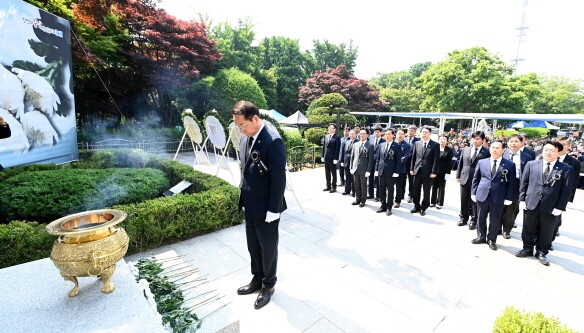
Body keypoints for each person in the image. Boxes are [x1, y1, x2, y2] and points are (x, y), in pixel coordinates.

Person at [232, 101, 287, 309]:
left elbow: (279, 180)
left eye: (243, 125)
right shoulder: (246, 139)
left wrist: (274, 209)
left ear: (255, 118)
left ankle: (268, 285)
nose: (241, 130)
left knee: (268, 248)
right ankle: (257, 278)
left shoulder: (273, 141)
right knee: (253, 246)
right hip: (251, 204)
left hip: (267, 209)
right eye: (238, 126)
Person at [516, 141, 573, 266]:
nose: (548, 152)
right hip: (532, 202)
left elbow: (566, 190)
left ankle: (542, 252)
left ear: (558, 152)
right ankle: (527, 248)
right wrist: (522, 199)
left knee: (547, 230)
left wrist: (560, 207)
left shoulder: (566, 169)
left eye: (552, 150)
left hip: (551, 205)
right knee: (528, 227)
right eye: (546, 149)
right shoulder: (532, 164)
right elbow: (524, 183)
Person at [470, 140, 516, 250]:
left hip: (499, 196)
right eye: (492, 147)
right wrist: (473, 192)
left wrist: (508, 197)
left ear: (503, 150)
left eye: (497, 148)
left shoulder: (509, 165)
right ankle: (481, 236)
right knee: (480, 217)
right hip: (482, 194)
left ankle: (491, 239)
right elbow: (476, 178)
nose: (494, 149)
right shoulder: (482, 162)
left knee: (495, 219)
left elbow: (511, 183)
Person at [500, 134, 534, 238]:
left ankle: (507, 229)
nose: (513, 143)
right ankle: (497, 227)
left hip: (517, 184)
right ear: (507, 143)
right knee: (499, 206)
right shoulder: (502, 153)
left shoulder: (527, 157)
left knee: (512, 208)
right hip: (501, 183)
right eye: (511, 141)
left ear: (521, 143)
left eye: (516, 141)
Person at [456, 131, 490, 229]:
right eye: (474, 138)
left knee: (475, 201)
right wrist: (458, 175)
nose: (475, 141)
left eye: (478, 139)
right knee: (463, 199)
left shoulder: (486, 152)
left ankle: (474, 220)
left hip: (478, 180)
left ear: (483, 140)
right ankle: (463, 217)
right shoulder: (466, 149)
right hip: (464, 178)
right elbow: (461, 163)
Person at [552, 136, 581, 241]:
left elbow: (573, 182)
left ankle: (551, 238)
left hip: (561, 194)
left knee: (556, 217)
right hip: (546, 192)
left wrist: (568, 197)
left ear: (569, 146)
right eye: (556, 144)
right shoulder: (547, 157)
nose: (558, 147)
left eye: (563, 145)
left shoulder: (574, 163)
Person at [409, 126, 440, 216]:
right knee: (415, 189)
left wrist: (434, 172)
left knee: (426, 190)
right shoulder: (417, 143)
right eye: (422, 132)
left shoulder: (435, 145)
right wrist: (411, 169)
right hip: (417, 170)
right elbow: (413, 158)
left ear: (430, 134)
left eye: (426, 132)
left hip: (428, 172)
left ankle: (424, 207)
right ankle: (416, 206)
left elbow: (436, 160)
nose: (424, 133)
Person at [374, 129, 402, 216]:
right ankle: (383, 205)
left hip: (391, 172)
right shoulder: (381, 145)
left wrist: (397, 171)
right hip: (381, 171)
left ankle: (389, 207)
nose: (386, 135)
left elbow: (398, 160)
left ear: (393, 135)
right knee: (381, 189)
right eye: (385, 134)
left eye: (388, 134)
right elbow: (378, 159)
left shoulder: (396, 146)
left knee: (390, 190)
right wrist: (376, 170)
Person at [350, 129, 374, 208]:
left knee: (363, 185)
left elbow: (371, 160)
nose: (362, 135)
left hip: (364, 169)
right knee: (356, 185)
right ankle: (357, 199)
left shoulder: (370, 146)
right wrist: (351, 167)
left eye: (363, 134)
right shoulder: (355, 144)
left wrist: (368, 170)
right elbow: (352, 157)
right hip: (355, 168)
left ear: (367, 135)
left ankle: (363, 200)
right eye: (360, 134)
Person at [430, 135, 453, 209]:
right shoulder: (435, 148)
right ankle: (432, 202)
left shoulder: (449, 150)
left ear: (447, 141)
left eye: (444, 139)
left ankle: (439, 202)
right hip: (434, 171)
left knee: (441, 187)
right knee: (434, 186)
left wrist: (448, 173)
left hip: (443, 172)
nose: (442, 140)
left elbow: (450, 162)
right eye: (440, 139)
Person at [394, 129, 412, 208]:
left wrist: (395, 163)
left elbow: (405, 157)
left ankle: (398, 201)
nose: (400, 135)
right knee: (390, 185)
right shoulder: (392, 143)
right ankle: (390, 199)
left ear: (404, 136)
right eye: (398, 133)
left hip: (400, 169)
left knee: (399, 185)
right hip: (390, 169)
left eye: (401, 134)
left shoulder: (407, 145)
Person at [321, 124, 341, 193]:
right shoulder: (326, 136)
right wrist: (322, 156)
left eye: (331, 128)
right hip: (326, 157)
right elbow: (324, 147)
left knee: (333, 173)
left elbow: (337, 149)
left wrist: (336, 158)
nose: (330, 129)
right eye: (329, 128)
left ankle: (334, 187)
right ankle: (328, 185)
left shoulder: (337, 137)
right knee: (327, 172)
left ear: (335, 129)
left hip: (333, 158)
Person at [368, 127, 385, 201]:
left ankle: (378, 195)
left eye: (378, 132)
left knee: (378, 179)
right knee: (370, 178)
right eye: (375, 132)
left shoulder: (383, 141)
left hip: (379, 163)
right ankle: (370, 194)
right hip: (371, 162)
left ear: (381, 133)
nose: (376, 133)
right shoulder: (370, 140)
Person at [404, 125, 420, 203]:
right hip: (403, 163)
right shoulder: (403, 139)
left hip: (412, 164)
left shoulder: (418, 141)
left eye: (412, 130)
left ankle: (410, 195)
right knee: (402, 180)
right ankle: (401, 194)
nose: (410, 132)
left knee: (411, 181)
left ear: (415, 132)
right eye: (409, 130)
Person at [340, 129, 358, 196]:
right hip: (346, 161)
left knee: (354, 178)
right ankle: (347, 190)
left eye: (353, 134)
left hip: (354, 162)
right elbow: (343, 152)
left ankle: (354, 191)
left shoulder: (358, 142)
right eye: (350, 134)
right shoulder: (346, 142)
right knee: (347, 176)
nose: (351, 135)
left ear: (356, 135)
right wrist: (342, 160)